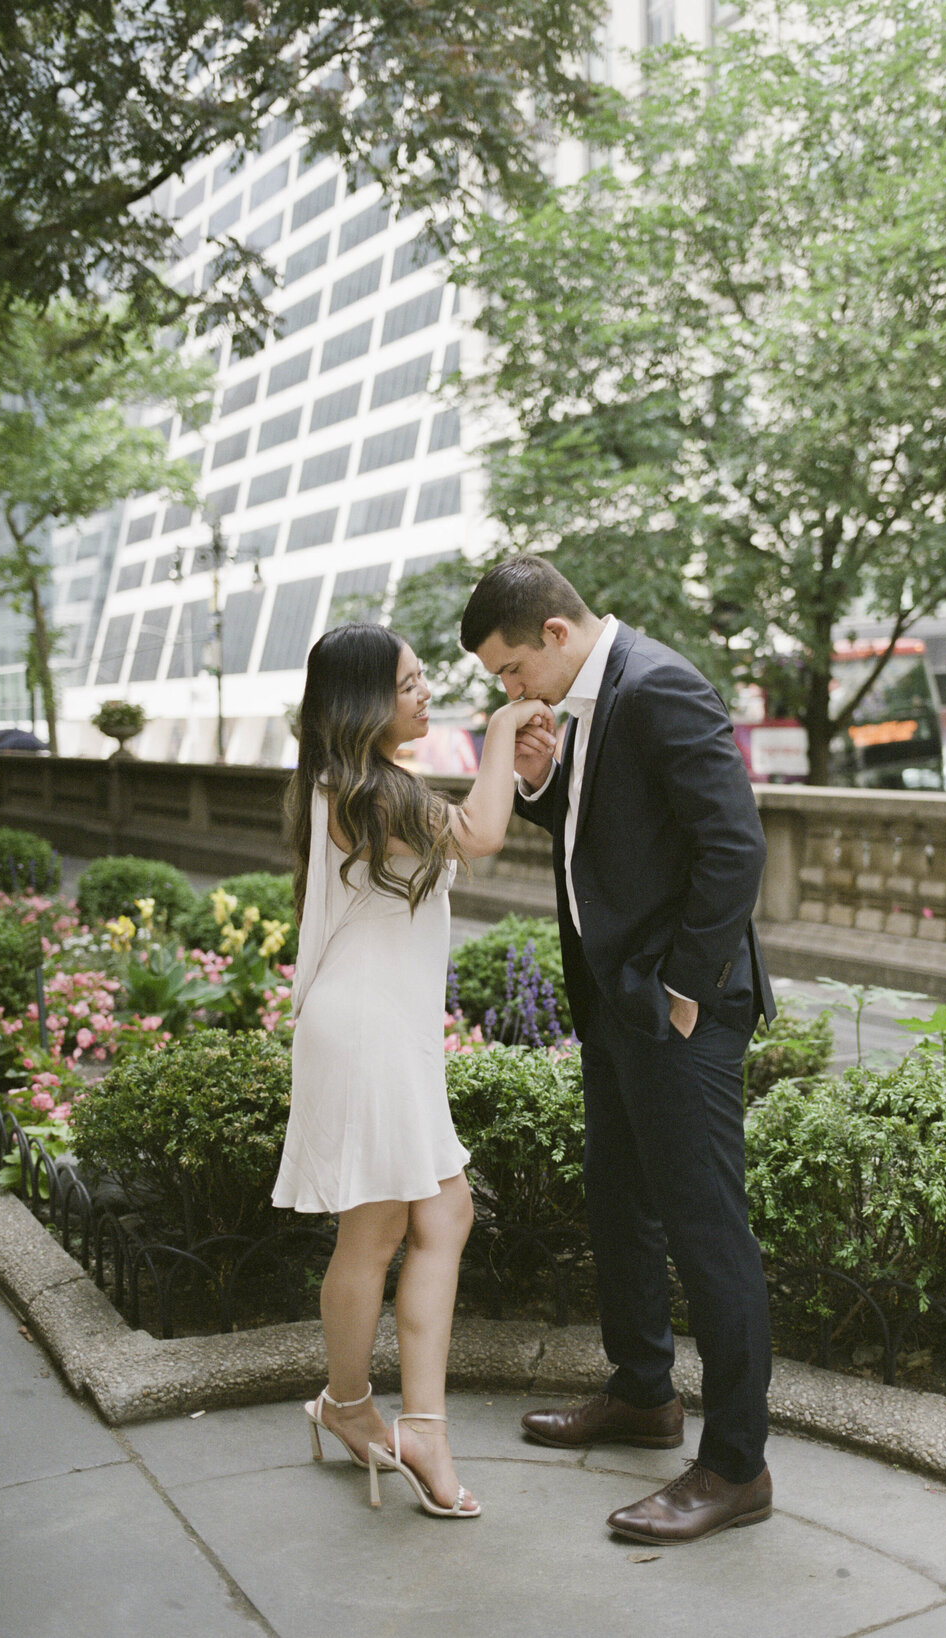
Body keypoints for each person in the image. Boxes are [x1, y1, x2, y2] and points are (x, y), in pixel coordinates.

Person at [459, 557, 777, 1546]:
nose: (508, 692)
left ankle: (735, 1464)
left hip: (678, 1010)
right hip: (615, 1007)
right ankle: (644, 1394)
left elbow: (735, 845)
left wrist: (682, 990)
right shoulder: (594, 698)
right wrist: (544, 781)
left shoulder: (662, 685)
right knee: (618, 1201)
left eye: (510, 670)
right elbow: (604, 834)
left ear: (555, 634)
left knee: (706, 1229)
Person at [272, 622, 552, 1520]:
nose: (427, 692)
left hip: (382, 1030)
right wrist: (506, 729)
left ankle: (416, 1422)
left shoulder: (354, 785)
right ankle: (353, 1406)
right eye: (410, 682)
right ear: (363, 701)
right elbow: (480, 835)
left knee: (441, 1213)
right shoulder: (367, 789)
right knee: (379, 1230)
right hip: (366, 1034)